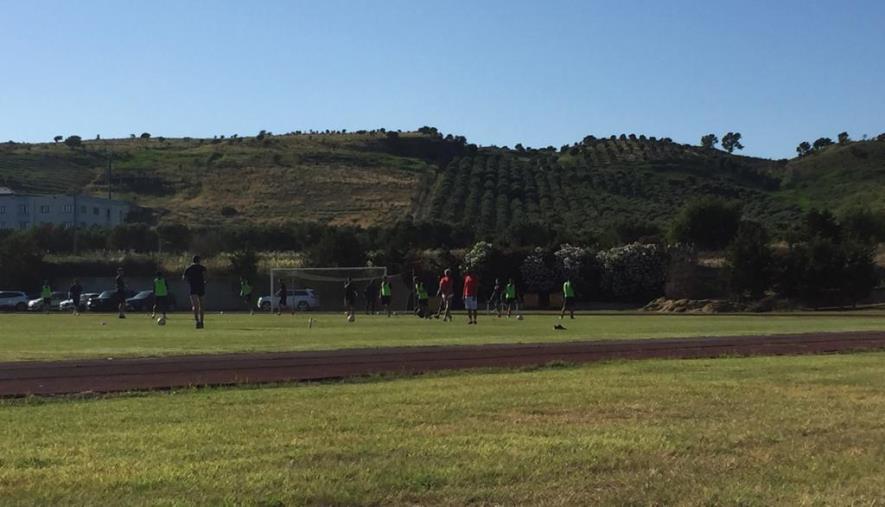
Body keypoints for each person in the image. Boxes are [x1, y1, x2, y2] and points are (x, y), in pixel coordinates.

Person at [183, 255, 207, 329]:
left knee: (195, 306)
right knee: (201, 306)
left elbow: (184, 277)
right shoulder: (202, 268)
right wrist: (205, 282)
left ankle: (197, 321)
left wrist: (189, 281)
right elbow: (207, 276)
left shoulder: (189, 268)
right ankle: (202, 322)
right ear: (199, 260)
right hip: (201, 288)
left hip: (193, 288)